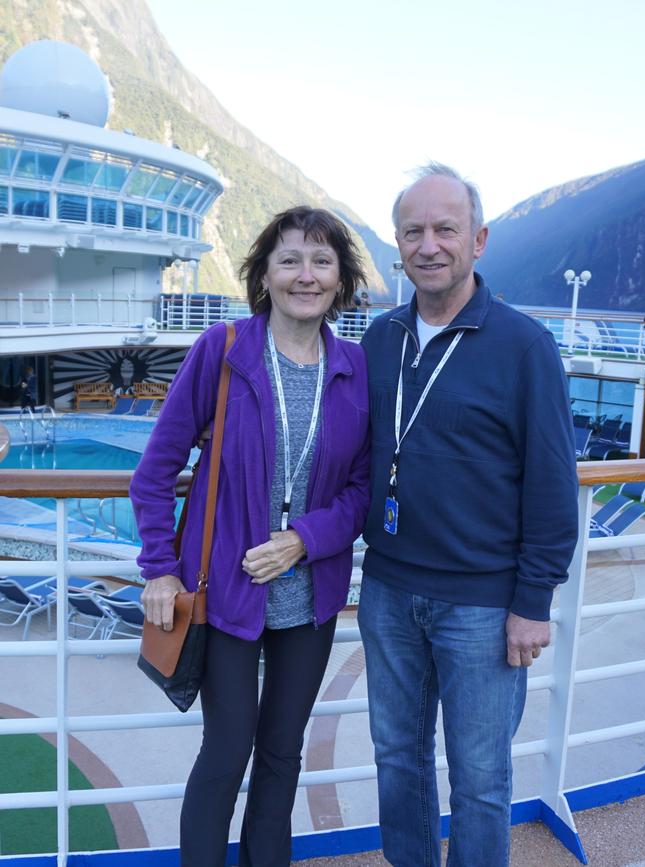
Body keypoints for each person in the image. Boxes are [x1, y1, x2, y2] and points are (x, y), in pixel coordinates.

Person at [130, 206, 370, 867]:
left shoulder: (354, 367)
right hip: (224, 594)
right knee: (228, 748)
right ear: (264, 272)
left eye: (322, 261)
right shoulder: (226, 349)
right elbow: (154, 471)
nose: (306, 274)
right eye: (289, 259)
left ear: (341, 279)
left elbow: (363, 490)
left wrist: (304, 539)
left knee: (282, 752)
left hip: (310, 598)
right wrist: (159, 566)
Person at [358, 162, 578, 867]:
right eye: (413, 230)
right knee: (396, 758)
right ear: (397, 243)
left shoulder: (523, 346)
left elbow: (551, 480)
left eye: (445, 229)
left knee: (482, 781)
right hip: (389, 588)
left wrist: (532, 600)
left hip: (482, 604)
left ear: (477, 240)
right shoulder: (381, 338)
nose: (429, 244)